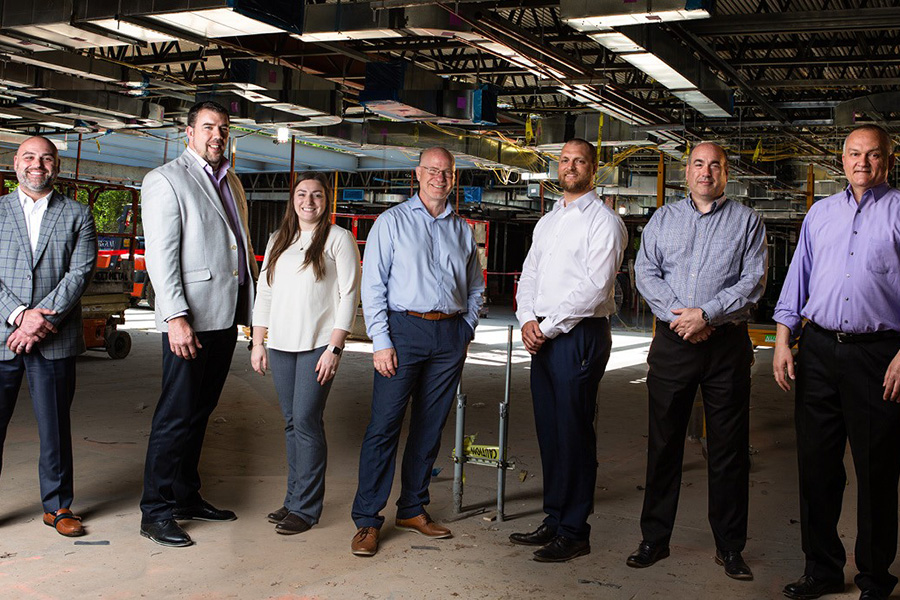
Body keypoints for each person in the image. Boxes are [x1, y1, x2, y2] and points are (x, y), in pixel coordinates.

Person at [628, 142, 767, 580]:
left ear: (727, 173)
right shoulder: (663, 219)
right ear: (686, 172)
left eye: (716, 166)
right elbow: (644, 271)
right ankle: (654, 539)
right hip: (673, 343)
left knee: (728, 450)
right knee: (664, 443)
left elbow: (755, 279)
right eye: (699, 164)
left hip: (726, 346)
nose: (706, 172)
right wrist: (682, 317)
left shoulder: (748, 222)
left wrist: (706, 315)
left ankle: (729, 547)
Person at [774, 125, 900, 600]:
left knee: (876, 470)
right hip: (819, 350)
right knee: (817, 467)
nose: (861, 162)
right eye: (853, 153)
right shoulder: (820, 214)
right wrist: (785, 339)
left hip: (880, 355)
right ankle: (822, 569)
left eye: (872, 154)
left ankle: (874, 578)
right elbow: (797, 279)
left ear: (888, 159)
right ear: (841, 158)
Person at [350, 147, 484, 557]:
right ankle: (368, 521)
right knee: (384, 427)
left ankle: (412, 508)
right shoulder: (391, 223)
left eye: (445, 172)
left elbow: (476, 285)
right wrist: (382, 341)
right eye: (431, 170)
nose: (438, 177)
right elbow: (372, 286)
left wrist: (467, 327)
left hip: (449, 335)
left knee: (429, 427)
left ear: (454, 178)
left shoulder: (462, 229)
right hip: (403, 330)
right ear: (418, 173)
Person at [140, 100, 258, 547]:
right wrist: (175, 316)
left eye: (223, 129)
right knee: (175, 415)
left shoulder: (232, 181)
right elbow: (162, 256)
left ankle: (186, 496)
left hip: (224, 316)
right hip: (189, 319)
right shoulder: (167, 179)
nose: (217, 135)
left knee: (200, 412)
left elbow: (237, 248)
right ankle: (154, 510)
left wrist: (250, 312)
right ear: (187, 132)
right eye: (208, 127)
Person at [509, 138, 627, 562]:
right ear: (557, 167)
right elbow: (530, 273)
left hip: (578, 336)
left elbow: (593, 288)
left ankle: (576, 531)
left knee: (574, 433)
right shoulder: (548, 221)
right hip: (544, 334)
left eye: (580, 161)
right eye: (565, 160)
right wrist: (526, 319)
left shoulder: (604, 222)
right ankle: (555, 519)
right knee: (551, 432)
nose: (571, 166)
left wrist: (548, 326)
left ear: (593, 169)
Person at [250, 172, 360, 535]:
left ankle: (307, 509)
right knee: (291, 422)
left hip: (317, 344)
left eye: (316, 195)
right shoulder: (278, 239)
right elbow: (265, 292)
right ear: (292, 199)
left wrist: (335, 347)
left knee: (307, 421)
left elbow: (349, 295)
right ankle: (293, 498)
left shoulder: (339, 238)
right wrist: (258, 341)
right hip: (281, 344)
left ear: (326, 201)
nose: (308, 201)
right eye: (301, 194)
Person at [0, 136, 96, 537]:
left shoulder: (77, 214)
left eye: (46, 158)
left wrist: (40, 322)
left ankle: (58, 507)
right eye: (29, 157)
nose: (37, 164)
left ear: (56, 165)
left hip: (53, 338)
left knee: (54, 426)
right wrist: (19, 316)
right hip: (2, 335)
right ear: (15, 163)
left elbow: (80, 274)